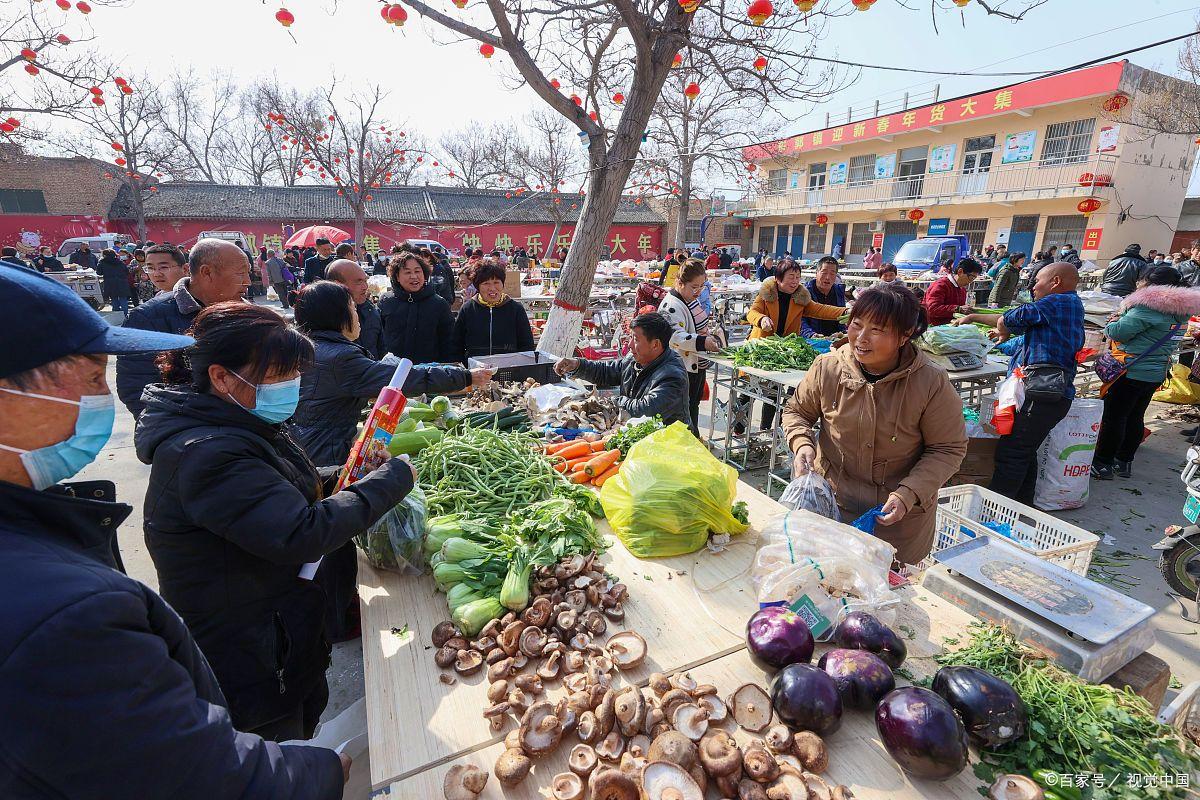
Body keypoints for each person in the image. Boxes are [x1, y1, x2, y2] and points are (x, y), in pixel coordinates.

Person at [0, 267, 350, 797]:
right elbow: (191, 773)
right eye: (93, 378)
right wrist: (319, 772)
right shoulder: (59, 611)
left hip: (269, 636)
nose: (105, 397)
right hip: (252, 655)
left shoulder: (239, 430)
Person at [135, 301, 417, 741]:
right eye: (278, 375)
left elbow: (284, 491)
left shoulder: (240, 423)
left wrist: (347, 475)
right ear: (221, 377)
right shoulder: (208, 454)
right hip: (250, 656)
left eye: (293, 373)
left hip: (278, 629)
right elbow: (301, 532)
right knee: (278, 755)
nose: (291, 385)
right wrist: (391, 481)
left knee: (302, 726)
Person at [289, 281, 485, 639]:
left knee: (324, 536)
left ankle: (332, 608)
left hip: (305, 444)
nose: (359, 314)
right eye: (353, 307)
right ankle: (335, 619)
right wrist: (465, 377)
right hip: (325, 450)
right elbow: (399, 380)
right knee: (332, 540)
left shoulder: (306, 347)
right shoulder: (339, 356)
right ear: (339, 316)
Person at [781, 283, 967, 564]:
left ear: (904, 336)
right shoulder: (828, 367)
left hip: (895, 521)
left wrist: (909, 493)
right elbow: (796, 412)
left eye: (877, 330)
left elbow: (947, 448)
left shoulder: (930, 382)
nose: (861, 338)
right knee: (825, 586)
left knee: (884, 594)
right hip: (833, 507)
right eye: (857, 325)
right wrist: (802, 443)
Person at [954, 264, 1084, 504]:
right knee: (1024, 451)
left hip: (1042, 395)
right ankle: (1022, 506)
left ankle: (993, 510)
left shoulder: (1058, 303)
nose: (1033, 286)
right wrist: (984, 327)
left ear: (1055, 281)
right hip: (1050, 395)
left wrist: (1002, 326)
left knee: (1011, 453)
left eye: (1037, 281)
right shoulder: (1064, 309)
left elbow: (1015, 317)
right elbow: (1018, 337)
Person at [117, 239, 251, 417]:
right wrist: (182, 432)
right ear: (207, 272)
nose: (248, 282)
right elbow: (137, 390)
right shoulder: (147, 319)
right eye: (240, 274)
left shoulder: (247, 312)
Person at [1091, 266, 1200, 479]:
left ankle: (1103, 463)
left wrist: (1113, 321)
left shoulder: (1148, 307)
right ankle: (1123, 462)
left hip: (1131, 371)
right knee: (1135, 416)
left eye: (1141, 280)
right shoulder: (1181, 310)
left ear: (1149, 283)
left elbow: (1118, 332)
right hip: (1156, 372)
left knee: (1115, 418)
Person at [554, 312, 692, 428]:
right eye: (631, 337)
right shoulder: (634, 358)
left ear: (655, 344)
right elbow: (606, 372)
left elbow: (645, 410)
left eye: (636, 339)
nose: (630, 344)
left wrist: (611, 400)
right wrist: (577, 365)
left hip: (670, 445)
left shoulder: (672, 375)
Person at [657, 260, 725, 435]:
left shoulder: (689, 299)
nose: (698, 291)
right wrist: (703, 342)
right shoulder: (670, 305)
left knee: (692, 406)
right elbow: (675, 336)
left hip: (694, 365)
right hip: (681, 367)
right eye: (694, 286)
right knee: (682, 411)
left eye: (702, 286)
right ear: (680, 283)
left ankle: (694, 440)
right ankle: (689, 443)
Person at [379, 250, 457, 364]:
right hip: (392, 372)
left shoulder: (439, 304)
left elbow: (449, 342)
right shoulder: (386, 302)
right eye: (407, 272)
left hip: (429, 373)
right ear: (397, 276)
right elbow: (378, 339)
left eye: (417, 271)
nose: (414, 276)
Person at [451, 261, 535, 364]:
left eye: (496, 282)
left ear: (502, 284)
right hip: (476, 372)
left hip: (509, 370)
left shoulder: (516, 309)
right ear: (478, 286)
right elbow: (456, 344)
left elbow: (527, 344)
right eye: (486, 283)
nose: (492, 288)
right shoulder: (467, 309)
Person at [327, 259, 383, 360]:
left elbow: (382, 348)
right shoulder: (324, 320)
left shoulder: (370, 310)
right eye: (359, 282)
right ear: (338, 285)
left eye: (365, 280)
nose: (365, 287)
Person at [922, 256, 982, 326]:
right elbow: (932, 309)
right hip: (934, 328)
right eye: (971, 278)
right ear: (960, 272)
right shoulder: (941, 285)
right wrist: (957, 309)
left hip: (951, 327)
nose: (971, 282)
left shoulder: (962, 289)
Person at [801, 257, 847, 337]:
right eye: (824, 272)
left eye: (832, 273)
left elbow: (841, 319)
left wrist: (842, 333)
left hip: (834, 339)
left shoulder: (839, 291)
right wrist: (810, 334)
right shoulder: (804, 292)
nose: (827, 277)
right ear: (816, 273)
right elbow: (799, 319)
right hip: (811, 339)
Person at [96, 247, 132, 319]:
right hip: (122, 282)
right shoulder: (120, 262)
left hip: (110, 283)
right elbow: (127, 272)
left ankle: (117, 317)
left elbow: (99, 272)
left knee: (114, 299)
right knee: (123, 300)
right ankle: (125, 317)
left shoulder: (102, 262)